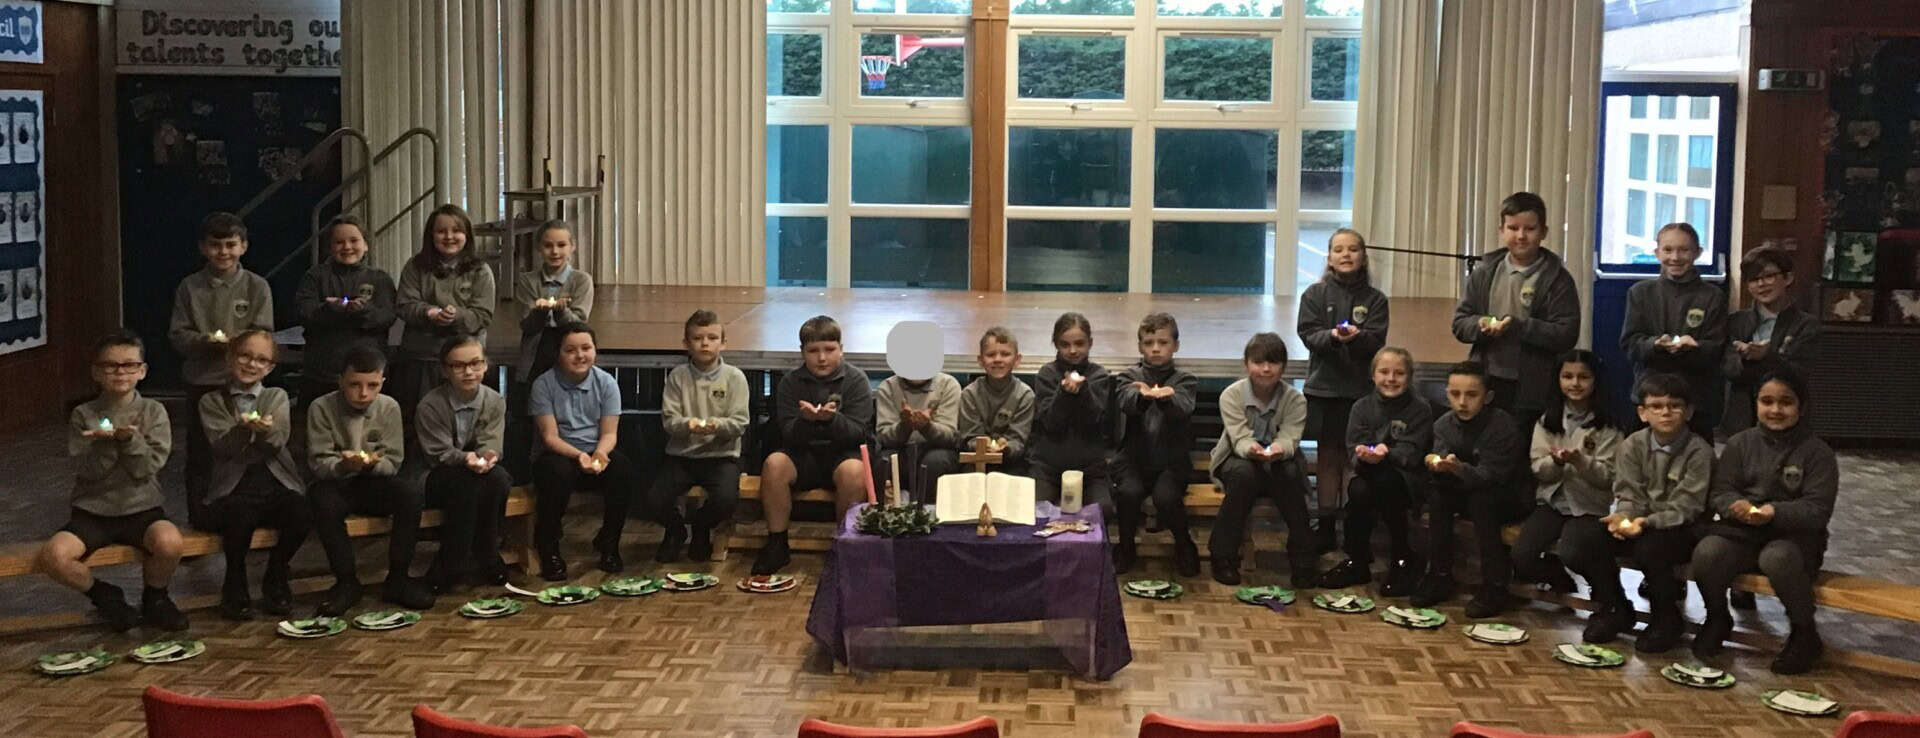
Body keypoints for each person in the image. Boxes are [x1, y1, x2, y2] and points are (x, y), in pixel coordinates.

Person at [36, 333, 187, 632]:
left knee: (170, 543)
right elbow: (87, 470)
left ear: (142, 371)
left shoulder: (153, 412)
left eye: (129, 365)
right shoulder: (84, 414)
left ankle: (156, 598)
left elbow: (146, 469)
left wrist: (129, 440)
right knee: (54, 556)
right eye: (110, 365)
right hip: (93, 511)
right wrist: (106, 444)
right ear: (96, 372)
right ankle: (104, 596)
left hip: (141, 507)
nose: (120, 372)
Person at [1693, 367, 1835, 674]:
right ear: (1756, 403)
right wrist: (1735, 506)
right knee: (1708, 552)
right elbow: (1720, 491)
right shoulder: (1740, 443)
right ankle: (1717, 617)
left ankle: (1804, 632)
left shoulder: (1817, 453)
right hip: (1743, 531)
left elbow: (1817, 509)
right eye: (1766, 401)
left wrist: (1775, 512)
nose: (1775, 410)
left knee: (1777, 558)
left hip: (1795, 537)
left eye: (1786, 402)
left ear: (1801, 407)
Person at [1563, 372, 1709, 651]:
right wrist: (1623, 517)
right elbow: (1628, 492)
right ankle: (1614, 607)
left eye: (1675, 406)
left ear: (1688, 412)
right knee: (1580, 540)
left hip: (1681, 529)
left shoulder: (1699, 451)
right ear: (1643, 413)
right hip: (1639, 523)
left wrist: (1645, 522)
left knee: (1650, 548)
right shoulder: (1632, 444)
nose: (1665, 412)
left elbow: (1687, 506)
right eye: (1656, 406)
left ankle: (1666, 618)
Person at [307, 345, 432, 614]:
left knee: (409, 495)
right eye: (355, 384)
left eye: (372, 385)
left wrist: (372, 464)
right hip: (337, 482)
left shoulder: (389, 407)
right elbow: (318, 463)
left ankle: (398, 578)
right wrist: (343, 465)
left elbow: (393, 461)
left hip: (373, 481)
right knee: (321, 500)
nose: (363, 393)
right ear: (341, 381)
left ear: (382, 382)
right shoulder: (321, 407)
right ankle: (346, 582)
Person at [169, 211, 274, 529]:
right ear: (203, 248)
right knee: (201, 453)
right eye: (216, 245)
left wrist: (238, 346)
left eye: (231, 244)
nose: (223, 252)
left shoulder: (257, 286)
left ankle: (246, 514)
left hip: (243, 383)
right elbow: (178, 335)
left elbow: (264, 334)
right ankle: (201, 519)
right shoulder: (189, 287)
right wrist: (205, 341)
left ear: (244, 246)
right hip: (203, 381)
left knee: (246, 449)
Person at [199, 330, 310, 620]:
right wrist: (243, 430)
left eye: (261, 360)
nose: (251, 364)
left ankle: (276, 572)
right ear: (230, 358)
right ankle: (235, 583)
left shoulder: (276, 396)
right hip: (233, 487)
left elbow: (277, 442)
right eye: (245, 356)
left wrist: (262, 432)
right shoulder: (212, 401)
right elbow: (223, 448)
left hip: (274, 482)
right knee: (239, 516)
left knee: (302, 511)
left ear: (270, 367)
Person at [1450, 192, 1581, 431]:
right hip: (1486, 379)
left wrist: (1520, 327)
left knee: (1522, 445)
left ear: (1543, 232)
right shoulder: (1484, 272)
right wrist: (1480, 325)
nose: (1521, 236)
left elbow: (1567, 334)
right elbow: (1460, 323)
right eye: (1513, 228)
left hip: (1533, 385)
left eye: (1530, 229)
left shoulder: (1558, 279)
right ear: (1501, 230)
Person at [756, 315, 874, 576]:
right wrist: (806, 421)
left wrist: (832, 420)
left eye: (829, 350)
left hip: (842, 454)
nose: (822, 358)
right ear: (802, 352)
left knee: (854, 472)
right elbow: (787, 433)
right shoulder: (790, 382)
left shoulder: (856, 380)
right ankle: (777, 543)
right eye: (813, 351)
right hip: (802, 453)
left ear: (841, 349)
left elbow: (859, 433)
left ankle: (846, 545)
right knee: (774, 464)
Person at [1297, 227, 1389, 553]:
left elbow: (1377, 339)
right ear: (1329, 258)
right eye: (1339, 250)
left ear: (1363, 256)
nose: (1346, 255)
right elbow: (1308, 333)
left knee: (1354, 459)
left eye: (1353, 249)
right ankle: (1325, 525)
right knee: (1327, 456)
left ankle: (1353, 525)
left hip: (1359, 393)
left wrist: (1358, 338)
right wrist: (1333, 338)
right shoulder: (1314, 294)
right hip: (1323, 389)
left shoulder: (1376, 299)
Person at [1414, 361, 1525, 618]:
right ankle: (1439, 575)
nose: (1462, 402)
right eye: (1455, 394)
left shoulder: (1502, 426)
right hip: (1464, 487)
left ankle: (1495, 585)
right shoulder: (1443, 424)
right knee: (1437, 495)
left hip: (1506, 495)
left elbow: (1493, 476)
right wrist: (1436, 464)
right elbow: (1440, 457)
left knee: (1482, 500)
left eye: (1471, 395)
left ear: (1488, 397)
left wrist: (1458, 469)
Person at [1318, 347, 1433, 595]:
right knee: (1358, 488)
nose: (1391, 379)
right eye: (1384, 372)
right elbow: (1353, 448)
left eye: (1399, 373)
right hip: (1370, 473)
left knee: (1385, 483)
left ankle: (1402, 557)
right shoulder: (1361, 407)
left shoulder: (1420, 409)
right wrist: (1364, 456)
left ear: (1409, 377)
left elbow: (1412, 454)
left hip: (1408, 478)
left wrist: (1387, 453)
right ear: (1373, 375)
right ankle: (1357, 559)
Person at [529, 323, 638, 581]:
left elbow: (609, 433)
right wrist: (579, 456)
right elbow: (549, 437)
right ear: (558, 353)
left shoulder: (606, 382)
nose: (579, 356)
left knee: (622, 468)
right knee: (557, 473)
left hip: (594, 451)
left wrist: (599, 454)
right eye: (570, 350)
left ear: (595, 350)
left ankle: (609, 544)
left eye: (586, 348)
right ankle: (549, 547)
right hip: (558, 454)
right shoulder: (543, 384)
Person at [1509, 350, 1623, 597]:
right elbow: (1538, 468)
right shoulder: (1547, 420)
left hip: (1589, 507)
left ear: (1596, 380)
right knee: (1522, 555)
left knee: (1574, 552)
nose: (1575, 383)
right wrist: (1556, 462)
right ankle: (1557, 577)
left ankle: (1608, 592)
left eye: (1584, 377)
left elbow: (1608, 477)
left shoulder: (1608, 426)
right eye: (1568, 376)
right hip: (1552, 503)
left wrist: (1580, 461)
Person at [1207, 332, 1317, 588]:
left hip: (1279, 460)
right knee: (1244, 475)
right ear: (1246, 365)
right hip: (1237, 458)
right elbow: (1238, 437)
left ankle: (1303, 561)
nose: (1266, 369)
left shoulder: (1295, 399)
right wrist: (1252, 449)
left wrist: (1279, 448)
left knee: (1289, 474)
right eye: (1258, 362)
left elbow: (1291, 436)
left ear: (1283, 367)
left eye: (1273, 363)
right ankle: (1223, 557)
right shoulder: (1231, 395)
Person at [413, 337, 512, 592]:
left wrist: (488, 456)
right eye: (458, 366)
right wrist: (465, 459)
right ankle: (452, 561)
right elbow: (437, 454)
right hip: (437, 473)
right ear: (445, 370)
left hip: (476, 469)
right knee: (465, 484)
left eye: (475, 363)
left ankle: (488, 552)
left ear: (485, 365)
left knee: (499, 478)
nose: (469, 372)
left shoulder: (494, 400)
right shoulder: (430, 405)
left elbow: (492, 440)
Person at [650, 310, 750, 563]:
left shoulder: (735, 378)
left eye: (712, 338)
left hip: (722, 456)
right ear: (686, 343)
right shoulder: (677, 377)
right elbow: (670, 421)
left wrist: (715, 426)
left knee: (726, 500)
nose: (705, 344)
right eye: (697, 338)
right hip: (682, 457)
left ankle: (701, 526)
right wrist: (689, 425)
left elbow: (740, 423)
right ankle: (676, 531)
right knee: (654, 499)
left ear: (723, 343)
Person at [1114, 312, 1200, 575]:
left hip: (1171, 462)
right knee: (1128, 493)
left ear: (1175, 346)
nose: (1155, 348)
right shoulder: (1128, 376)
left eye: (1163, 342)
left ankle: (1184, 545)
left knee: (1166, 497)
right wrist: (1142, 397)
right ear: (1140, 346)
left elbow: (1184, 407)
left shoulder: (1185, 380)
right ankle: (1125, 547)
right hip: (1133, 460)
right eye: (1149, 343)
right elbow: (1126, 402)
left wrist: (1166, 399)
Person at [1620, 223, 1726, 436]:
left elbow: (1717, 348)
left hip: (1694, 399)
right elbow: (1630, 344)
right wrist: (1654, 345)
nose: (1675, 257)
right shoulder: (1640, 293)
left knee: (1697, 453)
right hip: (1648, 395)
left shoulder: (1713, 296)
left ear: (1697, 252)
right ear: (1657, 253)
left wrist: (1695, 347)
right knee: (1640, 453)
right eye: (1668, 250)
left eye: (1684, 250)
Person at [394, 203, 496, 422]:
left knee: (464, 419)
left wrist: (456, 316)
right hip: (423, 355)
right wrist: (428, 313)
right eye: (441, 231)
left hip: (465, 360)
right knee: (421, 417)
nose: (449, 236)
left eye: (456, 230)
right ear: (431, 235)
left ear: (467, 235)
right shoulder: (415, 266)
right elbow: (404, 305)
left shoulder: (480, 270)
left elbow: (483, 315)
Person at [292, 214, 397, 419]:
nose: (347, 247)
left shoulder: (380, 278)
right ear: (330, 247)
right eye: (339, 242)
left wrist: (363, 311)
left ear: (366, 245)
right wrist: (329, 310)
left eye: (354, 240)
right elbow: (303, 311)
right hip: (323, 372)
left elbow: (388, 316)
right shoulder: (315, 276)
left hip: (367, 373)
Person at [1030, 313, 1117, 528]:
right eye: (1065, 344)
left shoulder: (1098, 375)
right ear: (1056, 344)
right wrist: (1064, 394)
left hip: (1090, 471)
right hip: (1048, 468)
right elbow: (1051, 422)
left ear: (1090, 343)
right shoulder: (1047, 374)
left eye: (1079, 344)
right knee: (1035, 510)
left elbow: (1093, 419)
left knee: (1104, 510)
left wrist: (1083, 391)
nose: (1072, 350)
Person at [1721, 244, 1818, 436]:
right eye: (1753, 279)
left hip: (1787, 420)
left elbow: (1800, 373)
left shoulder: (1806, 324)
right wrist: (1746, 358)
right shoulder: (1736, 321)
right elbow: (1728, 368)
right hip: (1741, 419)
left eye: (1768, 276)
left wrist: (1767, 356)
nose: (1761, 284)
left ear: (1788, 278)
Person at [874, 355, 963, 503]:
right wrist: (904, 426)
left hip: (937, 449)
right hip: (900, 448)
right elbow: (883, 437)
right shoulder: (887, 387)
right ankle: (887, 513)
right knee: (883, 462)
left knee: (934, 463)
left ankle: (928, 513)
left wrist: (927, 427)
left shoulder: (948, 385)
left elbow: (950, 436)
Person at [958, 326, 1034, 476]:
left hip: (1012, 462)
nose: (998, 359)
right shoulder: (970, 394)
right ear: (980, 360)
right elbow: (969, 436)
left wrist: (1006, 448)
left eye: (1005, 354)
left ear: (1017, 360)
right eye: (991, 354)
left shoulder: (1025, 395)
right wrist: (982, 445)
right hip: (976, 459)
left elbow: (1019, 440)